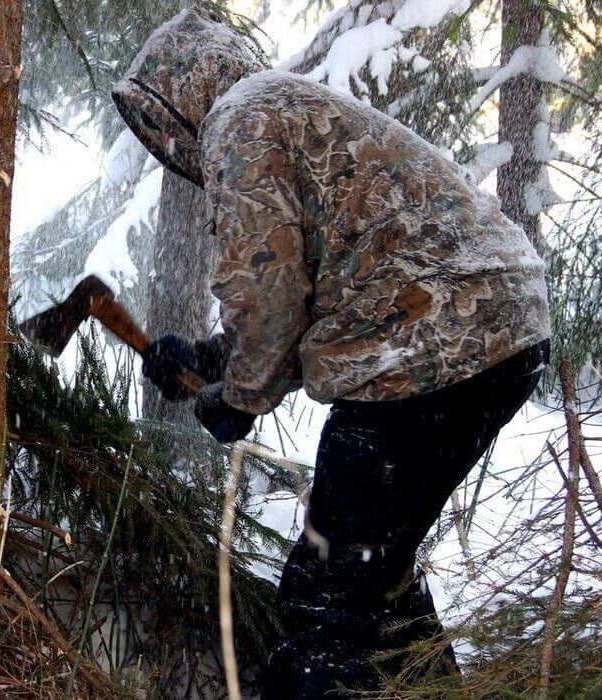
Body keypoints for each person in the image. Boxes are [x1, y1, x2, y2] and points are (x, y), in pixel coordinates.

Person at [114, 9, 551, 697]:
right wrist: (211, 356)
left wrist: (238, 397)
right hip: (494, 327)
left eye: (165, 121)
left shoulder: (240, 119)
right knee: (374, 571)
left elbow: (270, 293)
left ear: (184, 88)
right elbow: (308, 283)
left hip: (423, 350)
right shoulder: (279, 108)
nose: (168, 140)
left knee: (326, 603)